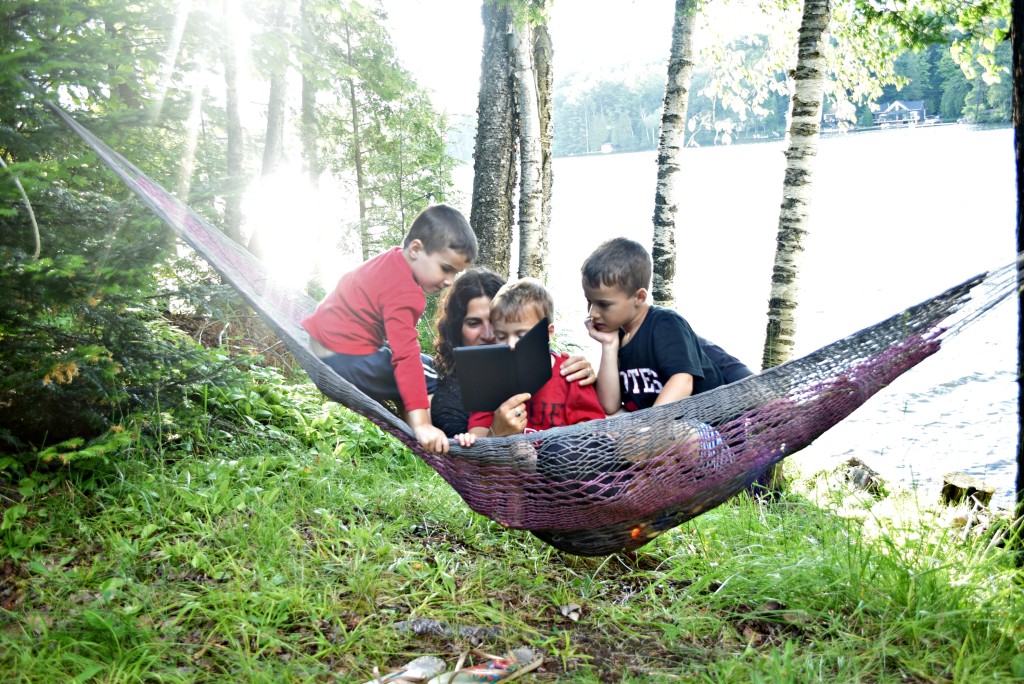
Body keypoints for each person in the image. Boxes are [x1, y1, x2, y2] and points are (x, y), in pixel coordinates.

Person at [303, 204, 476, 454]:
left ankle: (413, 417)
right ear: (416, 249)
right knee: (432, 373)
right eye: (446, 268)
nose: (449, 281)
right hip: (346, 360)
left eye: (456, 273)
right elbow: (405, 357)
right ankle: (427, 432)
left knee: (425, 362)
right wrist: (423, 424)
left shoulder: (392, 259)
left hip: (324, 344)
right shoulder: (405, 292)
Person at [581, 237, 749, 412]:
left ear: (639, 297)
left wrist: (647, 430)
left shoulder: (665, 324)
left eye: (604, 304)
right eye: (589, 302)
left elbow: (683, 381)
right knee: (607, 422)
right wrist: (609, 345)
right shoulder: (620, 336)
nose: (592, 313)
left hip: (710, 425)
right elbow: (609, 406)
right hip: (664, 428)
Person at [430, 268, 596, 438]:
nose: (489, 335)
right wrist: (496, 432)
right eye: (474, 323)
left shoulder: (567, 371)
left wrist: (588, 374)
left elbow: (593, 432)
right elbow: (472, 456)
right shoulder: (467, 392)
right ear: (457, 329)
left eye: (520, 334)